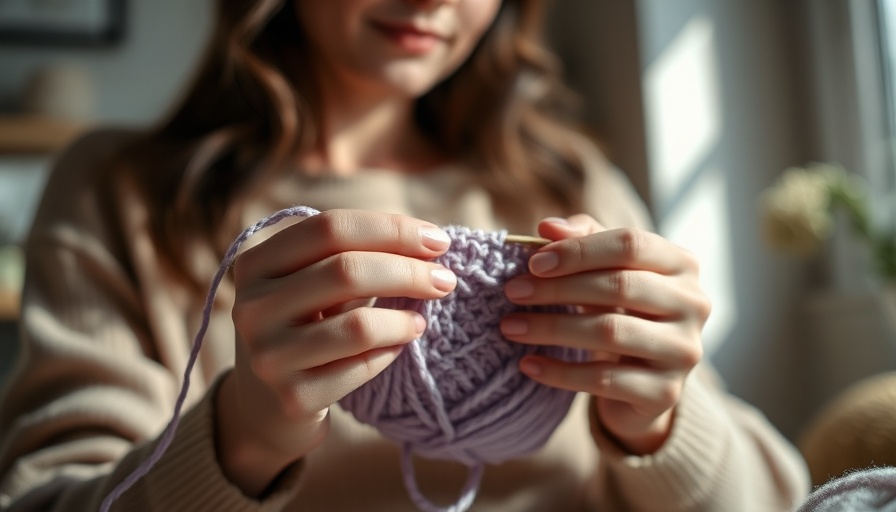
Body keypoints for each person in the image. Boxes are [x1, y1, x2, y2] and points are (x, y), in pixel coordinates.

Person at [0, 0, 810, 510]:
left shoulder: (570, 184)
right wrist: (240, 439)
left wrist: (659, 424)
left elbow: (779, 500)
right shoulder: (123, 193)